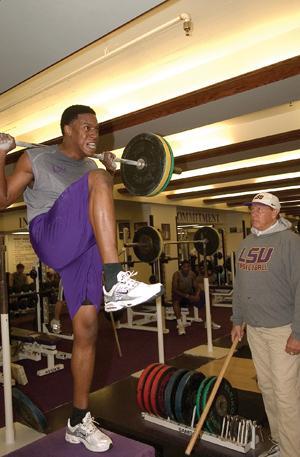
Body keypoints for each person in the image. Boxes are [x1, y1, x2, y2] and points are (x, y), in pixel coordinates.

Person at [0, 105, 163, 453]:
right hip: (50, 234)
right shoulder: (36, 158)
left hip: (84, 250)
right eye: (87, 127)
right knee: (98, 181)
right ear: (67, 130)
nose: (94, 133)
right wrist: (0, 156)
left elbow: (98, 209)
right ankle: (117, 279)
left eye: (96, 128)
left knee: (87, 329)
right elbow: (2, 199)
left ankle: (78, 419)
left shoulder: (92, 168)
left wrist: (110, 172)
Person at [231, 192, 300, 457]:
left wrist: (297, 332)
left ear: (276, 213)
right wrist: (238, 319)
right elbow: (240, 286)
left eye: (262, 208)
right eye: (253, 208)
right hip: (256, 330)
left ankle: (293, 452)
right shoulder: (246, 243)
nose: (255, 212)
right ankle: (280, 442)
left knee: (285, 394)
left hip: (283, 330)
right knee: (268, 389)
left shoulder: (290, 242)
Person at [171, 260, 220, 335]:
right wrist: (187, 296)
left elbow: (197, 287)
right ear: (181, 267)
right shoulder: (176, 274)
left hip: (189, 294)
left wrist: (197, 295)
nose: (186, 269)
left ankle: (208, 321)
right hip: (180, 295)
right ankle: (180, 325)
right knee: (175, 301)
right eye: (184, 267)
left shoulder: (192, 274)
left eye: (188, 267)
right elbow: (174, 289)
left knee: (207, 296)